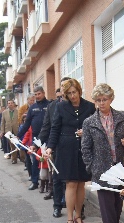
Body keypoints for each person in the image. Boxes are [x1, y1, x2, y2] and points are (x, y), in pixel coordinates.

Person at [82, 83, 124, 223]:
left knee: (118, 200)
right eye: (98, 100)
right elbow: (85, 148)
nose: (101, 103)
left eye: (104, 99)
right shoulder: (89, 122)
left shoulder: (122, 116)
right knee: (106, 202)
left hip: (119, 166)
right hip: (100, 168)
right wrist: (91, 166)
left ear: (111, 99)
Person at [45, 78, 95, 223]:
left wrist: (86, 132)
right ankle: (69, 219)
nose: (73, 96)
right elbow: (54, 129)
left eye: (75, 92)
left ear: (79, 90)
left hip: (84, 149)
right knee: (71, 183)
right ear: (66, 95)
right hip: (66, 149)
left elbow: (94, 126)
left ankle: (78, 216)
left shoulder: (90, 106)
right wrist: (50, 148)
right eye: (69, 93)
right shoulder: (60, 107)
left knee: (81, 184)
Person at [40, 79, 71, 215]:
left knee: (73, 179)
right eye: (64, 86)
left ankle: (77, 208)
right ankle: (57, 205)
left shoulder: (79, 105)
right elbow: (47, 126)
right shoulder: (52, 106)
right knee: (57, 177)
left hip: (74, 147)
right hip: (57, 147)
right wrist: (40, 144)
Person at [19, 86, 50, 191]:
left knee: (48, 160)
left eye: (39, 94)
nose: (37, 96)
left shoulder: (50, 105)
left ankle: (50, 185)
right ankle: (35, 182)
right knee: (35, 161)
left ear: (44, 93)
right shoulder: (32, 108)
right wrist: (18, 135)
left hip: (48, 137)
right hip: (36, 139)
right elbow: (27, 124)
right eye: (35, 94)